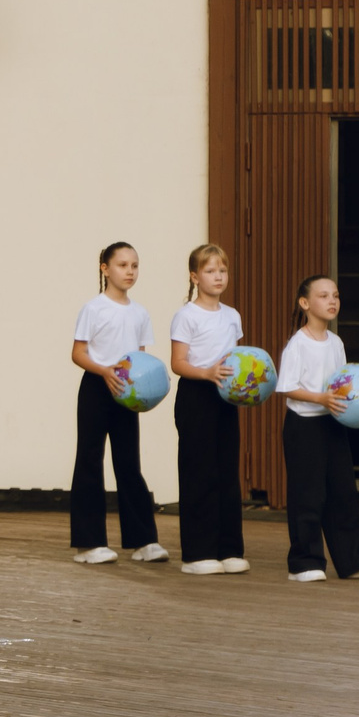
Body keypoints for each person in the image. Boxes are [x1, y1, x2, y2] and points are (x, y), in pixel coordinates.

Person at [70, 241, 166, 565]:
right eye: (123, 265)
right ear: (105, 269)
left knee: (128, 464)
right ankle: (89, 543)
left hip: (127, 393)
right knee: (90, 461)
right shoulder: (93, 308)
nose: (130, 271)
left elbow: (140, 356)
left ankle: (144, 541)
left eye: (134, 265)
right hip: (97, 388)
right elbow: (78, 353)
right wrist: (104, 371)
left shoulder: (140, 313)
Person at [274, 274, 359, 584]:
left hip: (333, 424)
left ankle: (354, 561)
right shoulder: (297, 344)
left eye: (336, 295)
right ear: (305, 303)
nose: (332, 301)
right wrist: (322, 398)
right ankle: (304, 562)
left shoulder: (336, 342)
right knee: (308, 494)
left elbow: (343, 382)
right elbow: (285, 387)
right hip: (304, 426)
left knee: (343, 493)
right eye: (324, 296)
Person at [168, 244, 252, 577]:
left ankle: (229, 548)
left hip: (225, 399)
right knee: (198, 473)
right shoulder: (186, 315)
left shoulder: (232, 316)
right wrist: (207, 373)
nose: (218, 277)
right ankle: (197, 553)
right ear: (194, 276)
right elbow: (178, 363)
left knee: (226, 472)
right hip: (197, 395)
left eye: (223, 271)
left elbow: (240, 359)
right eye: (210, 271)